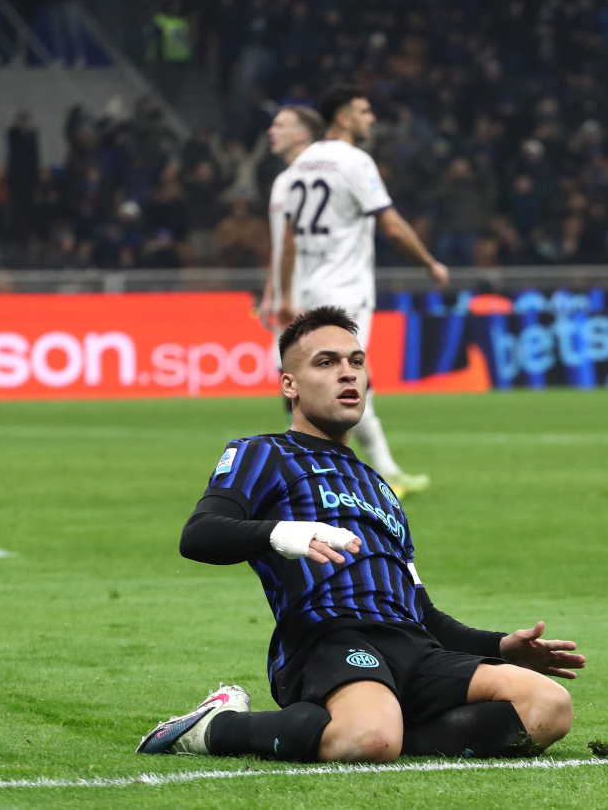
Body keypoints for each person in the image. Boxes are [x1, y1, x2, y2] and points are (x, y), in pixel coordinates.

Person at [137, 307, 582, 763]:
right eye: (326, 363)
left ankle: (372, 728)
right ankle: (214, 725)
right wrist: (282, 534)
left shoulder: (379, 487)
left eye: (356, 361)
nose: (347, 374)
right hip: (328, 639)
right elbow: (199, 535)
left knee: (548, 707)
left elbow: (421, 611)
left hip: (413, 647)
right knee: (372, 738)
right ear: (290, 384)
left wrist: (500, 646)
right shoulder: (264, 454)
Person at [277, 85, 450, 497]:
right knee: (347, 382)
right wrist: (428, 263)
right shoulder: (355, 161)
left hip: (309, 287)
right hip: (346, 293)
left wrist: (285, 294)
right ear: (343, 118)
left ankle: (374, 470)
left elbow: (286, 239)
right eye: (364, 111)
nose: (371, 118)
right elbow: (390, 225)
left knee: (326, 384)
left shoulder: (299, 166)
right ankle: (322, 476)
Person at [258, 105, 325, 332]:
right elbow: (280, 245)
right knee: (287, 368)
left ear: (302, 134)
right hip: (286, 299)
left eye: (279, 126)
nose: (271, 131)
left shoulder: (321, 179)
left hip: (315, 296)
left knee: (333, 365)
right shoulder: (281, 182)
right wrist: (271, 296)